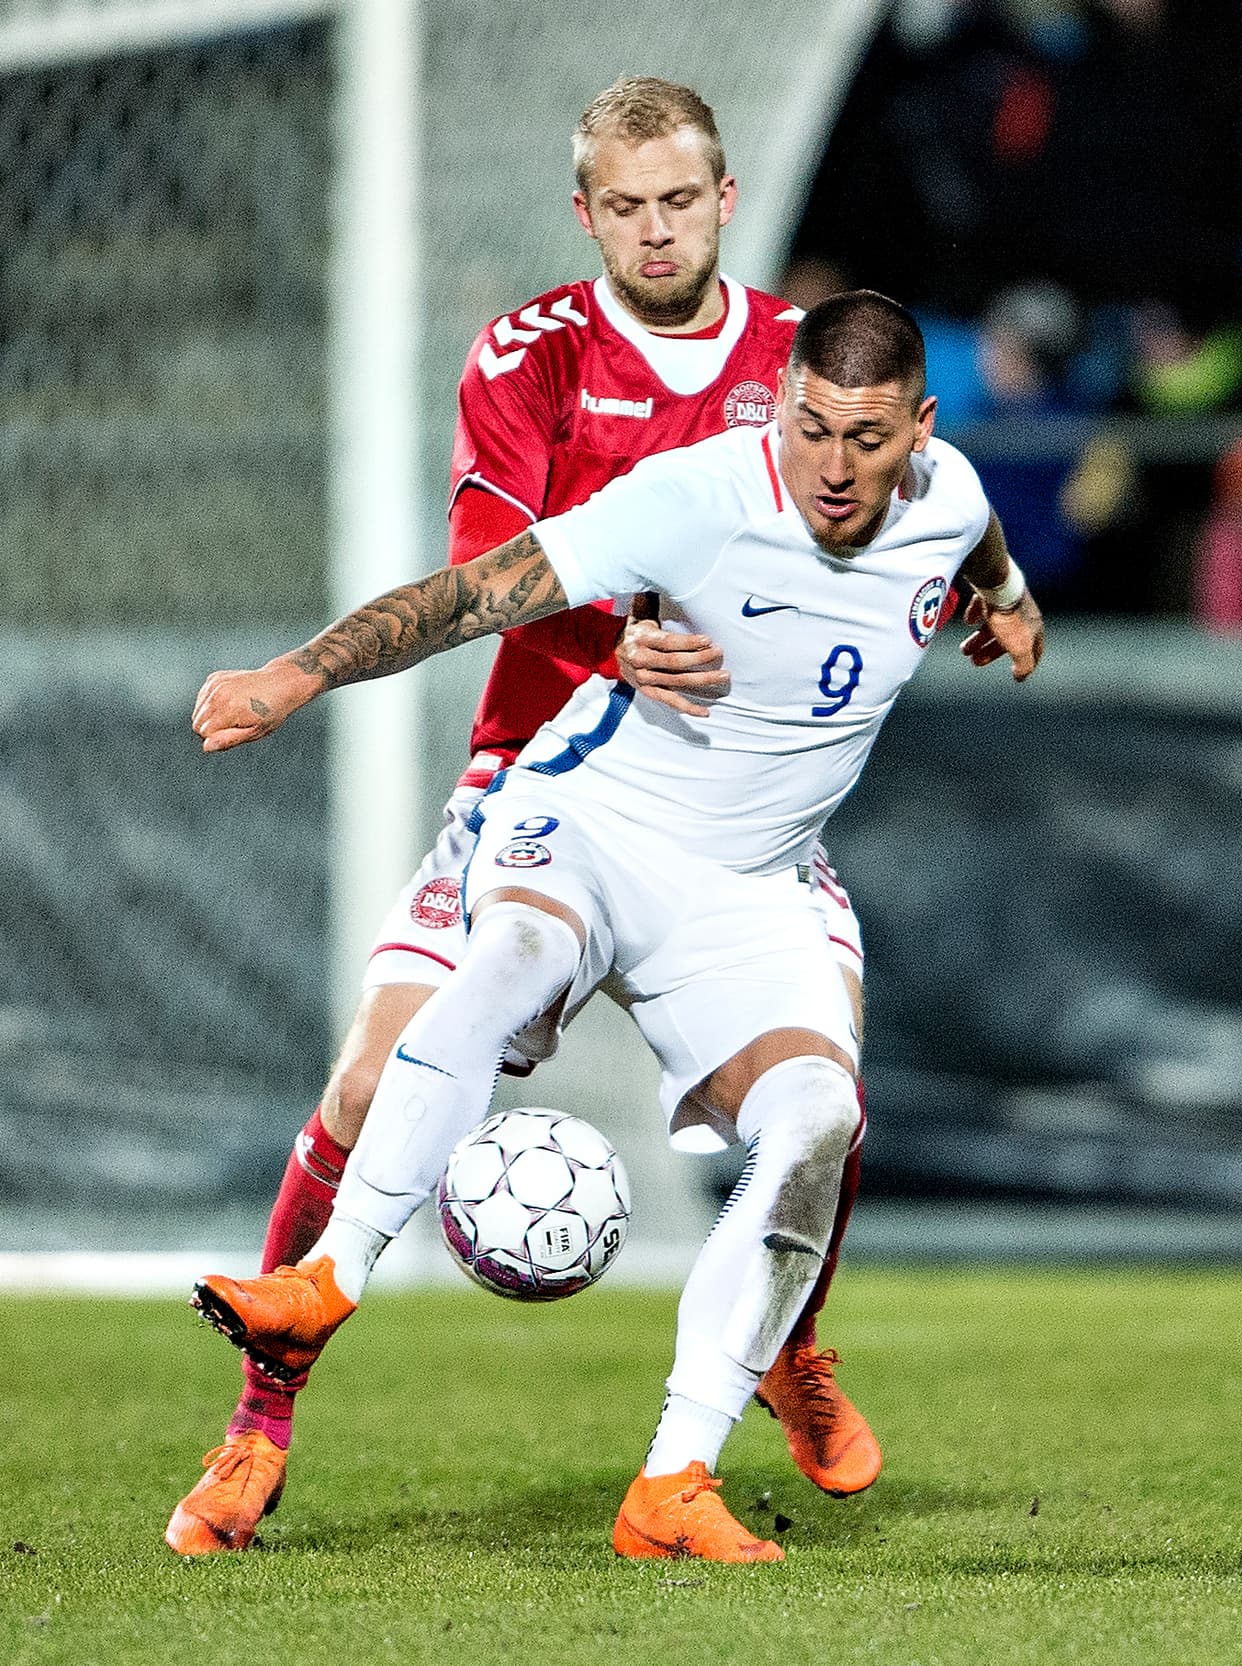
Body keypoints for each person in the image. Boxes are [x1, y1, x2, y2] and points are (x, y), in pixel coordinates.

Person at [187, 289, 1045, 1563]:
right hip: (590, 821)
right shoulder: (696, 495)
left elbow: (977, 550)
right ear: (782, 407)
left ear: (917, 428)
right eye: (809, 428)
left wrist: (1013, 604)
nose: (832, 466)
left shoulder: (948, 495)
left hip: (748, 885)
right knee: (514, 953)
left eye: (865, 440)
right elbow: (478, 593)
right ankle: (327, 1280)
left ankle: (672, 1485)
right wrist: (297, 672)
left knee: (819, 1118)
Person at [166, 77, 881, 1557]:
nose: (656, 228)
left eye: (680, 200)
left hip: (730, 811)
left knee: (818, 1094)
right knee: (367, 1091)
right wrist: (614, 635)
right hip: (541, 774)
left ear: (726, 198)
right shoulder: (532, 354)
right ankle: (259, 1422)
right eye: (625, 206)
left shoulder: (795, 365)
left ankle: (789, 1345)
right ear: (585, 213)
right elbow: (495, 564)